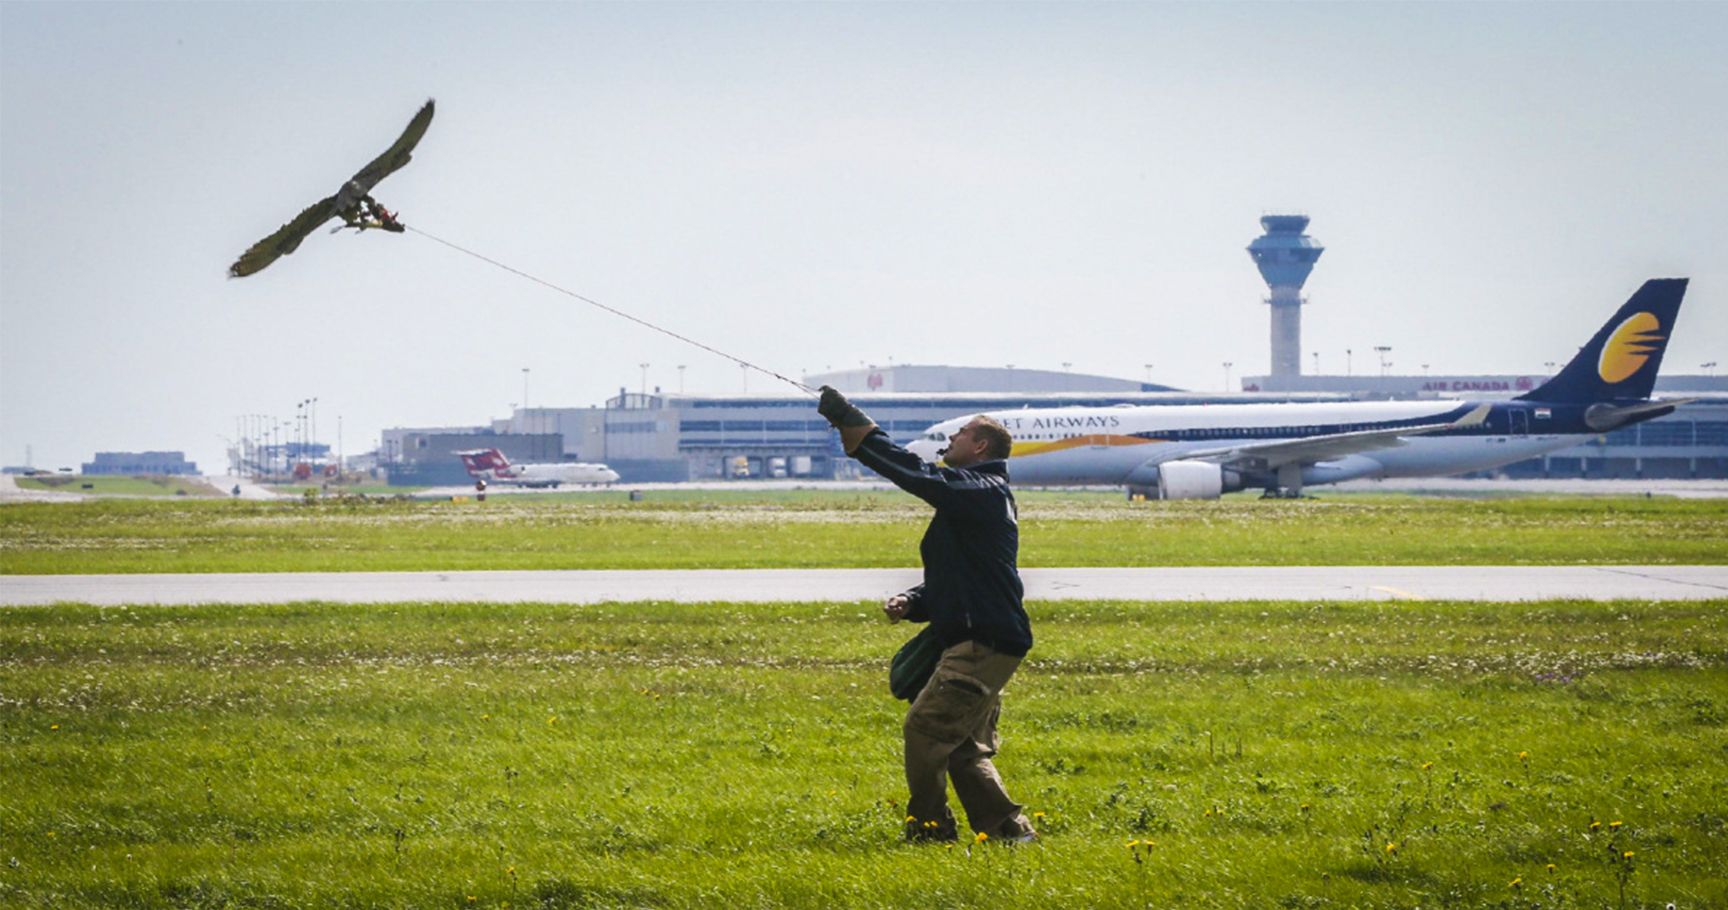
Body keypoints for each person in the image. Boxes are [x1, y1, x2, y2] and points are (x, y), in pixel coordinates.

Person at [817, 385, 1037, 845]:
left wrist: (859, 431)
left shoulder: (980, 489)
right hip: (988, 637)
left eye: (958, 435)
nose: (948, 441)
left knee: (925, 729)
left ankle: (930, 830)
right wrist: (917, 601)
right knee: (960, 746)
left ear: (980, 446)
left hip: (983, 643)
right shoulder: (979, 495)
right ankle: (1010, 834)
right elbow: (967, 574)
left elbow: (919, 476)